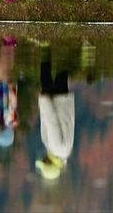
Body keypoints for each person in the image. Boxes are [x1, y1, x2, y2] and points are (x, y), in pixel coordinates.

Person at [34, 40, 74, 181]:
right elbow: (52, 123)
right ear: (50, 163)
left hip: (63, 103)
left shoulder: (64, 152)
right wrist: (44, 101)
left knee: (62, 73)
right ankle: (47, 44)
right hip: (54, 102)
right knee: (46, 76)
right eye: (45, 162)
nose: (43, 159)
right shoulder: (56, 148)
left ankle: (69, 44)